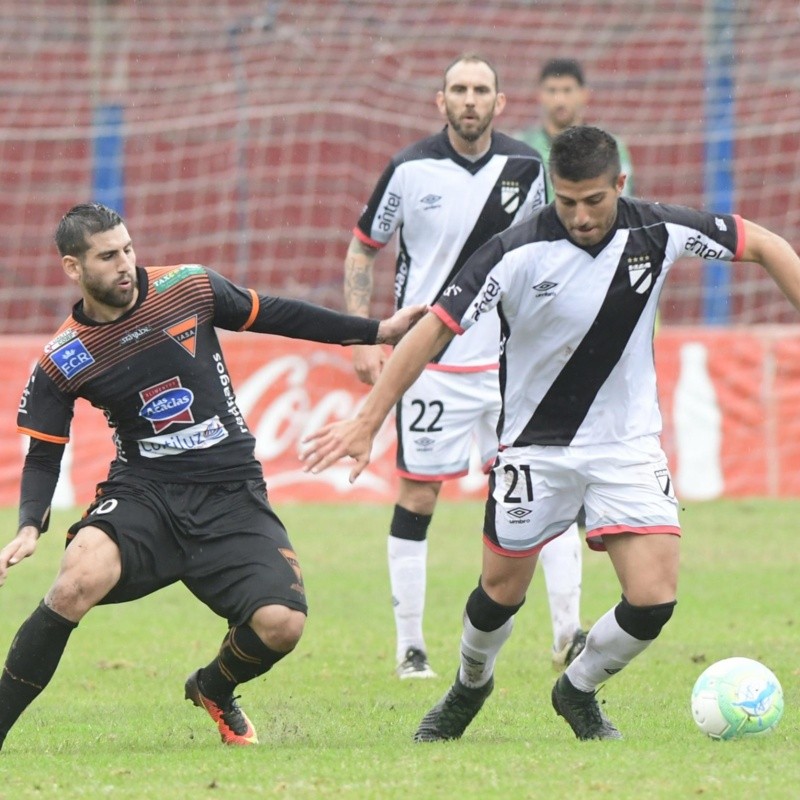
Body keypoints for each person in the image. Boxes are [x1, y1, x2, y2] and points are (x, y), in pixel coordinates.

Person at [302, 126, 800, 741]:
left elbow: (767, 244)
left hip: (626, 446)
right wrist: (368, 417)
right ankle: (470, 684)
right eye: (566, 202)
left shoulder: (661, 230)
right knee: (499, 593)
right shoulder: (513, 251)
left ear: (619, 184)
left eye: (594, 200)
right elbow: (433, 330)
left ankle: (578, 688)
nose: (581, 216)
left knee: (654, 597)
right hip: (535, 451)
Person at [0, 203, 424, 753]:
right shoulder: (63, 357)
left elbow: (277, 314)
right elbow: (41, 455)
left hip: (231, 492)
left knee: (282, 625)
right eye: (108, 256)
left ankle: (214, 686)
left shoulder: (190, 288)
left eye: (128, 248)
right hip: (145, 493)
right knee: (74, 579)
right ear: (73, 268)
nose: (125, 263)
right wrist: (31, 525)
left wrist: (375, 328)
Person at [343, 53, 584, 680]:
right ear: (440, 100)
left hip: (509, 365)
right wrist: (361, 336)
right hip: (431, 365)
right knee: (419, 497)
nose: (470, 99)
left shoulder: (527, 168)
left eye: (481, 90)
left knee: (545, 489)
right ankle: (410, 647)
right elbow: (363, 250)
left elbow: (553, 254)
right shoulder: (408, 169)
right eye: (459, 89)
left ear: (501, 104)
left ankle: (569, 634)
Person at [518, 58, 634, 198]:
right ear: (540, 95)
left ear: (584, 94)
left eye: (567, 90)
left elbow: (623, 199)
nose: (559, 99)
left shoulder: (610, 146)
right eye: (552, 91)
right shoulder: (521, 147)